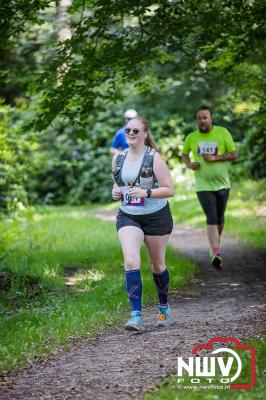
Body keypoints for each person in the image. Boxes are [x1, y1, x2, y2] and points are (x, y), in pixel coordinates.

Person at [112, 117, 175, 331]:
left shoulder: (153, 158)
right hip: (128, 215)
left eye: (136, 131)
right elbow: (120, 183)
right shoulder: (119, 158)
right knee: (131, 261)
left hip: (156, 215)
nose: (131, 133)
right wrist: (116, 191)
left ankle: (164, 307)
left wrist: (147, 192)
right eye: (128, 130)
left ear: (145, 134)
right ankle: (136, 315)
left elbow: (169, 189)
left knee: (157, 265)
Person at [182, 106, 237, 269]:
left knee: (220, 219)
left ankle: (215, 245)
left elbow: (234, 154)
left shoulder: (222, 132)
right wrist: (190, 164)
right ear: (196, 120)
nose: (202, 120)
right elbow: (184, 154)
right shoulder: (191, 137)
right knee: (211, 217)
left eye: (205, 117)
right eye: (199, 118)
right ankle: (215, 252)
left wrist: (215, 158)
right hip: (203, 185)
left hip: (223, 184)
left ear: (211, 119)